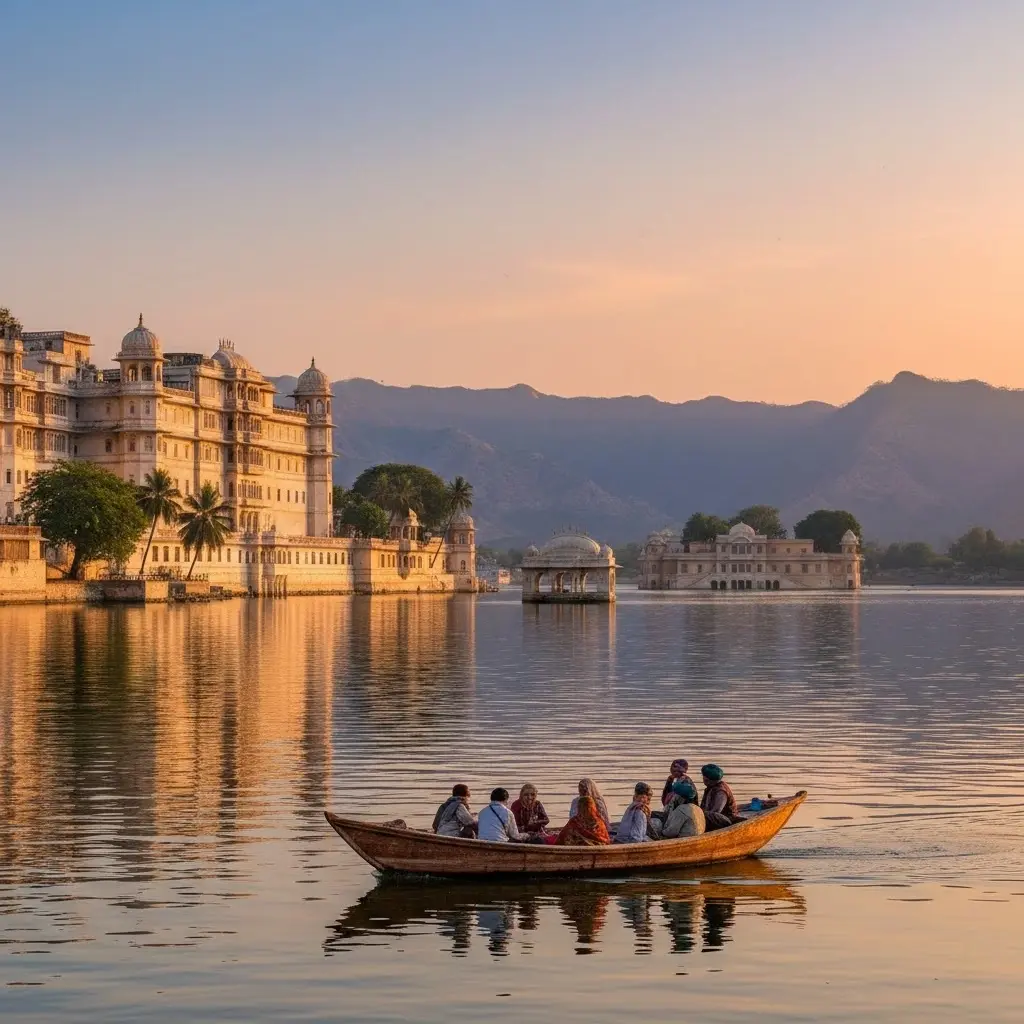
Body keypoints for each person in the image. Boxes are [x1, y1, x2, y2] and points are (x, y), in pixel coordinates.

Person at [700, 764, 742, 831]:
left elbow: (716, 812)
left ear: (707, 779)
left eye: (704, 777)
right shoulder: (711, 787)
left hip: (727, 819)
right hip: (716, 817)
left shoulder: (720, 792)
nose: (703, 779)